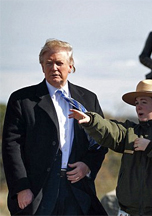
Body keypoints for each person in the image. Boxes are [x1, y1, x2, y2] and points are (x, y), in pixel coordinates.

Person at [2, 39, 108, 215]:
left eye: (59, 63)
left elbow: (101, 140)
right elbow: (11, 147)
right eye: (48, 63)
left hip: (78, 189)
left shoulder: (88, 99)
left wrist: (87, 165)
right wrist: (21, 187)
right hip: (37, 192)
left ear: (71, 66)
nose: (54, 68)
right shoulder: (22, 100)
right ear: (42, 67)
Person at [69, 79, 152, 215]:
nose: (138, 107)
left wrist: (151, 148)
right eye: (137, 103)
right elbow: (110, 129)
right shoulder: (130, 131)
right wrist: (91, 120)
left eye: (143, 102)